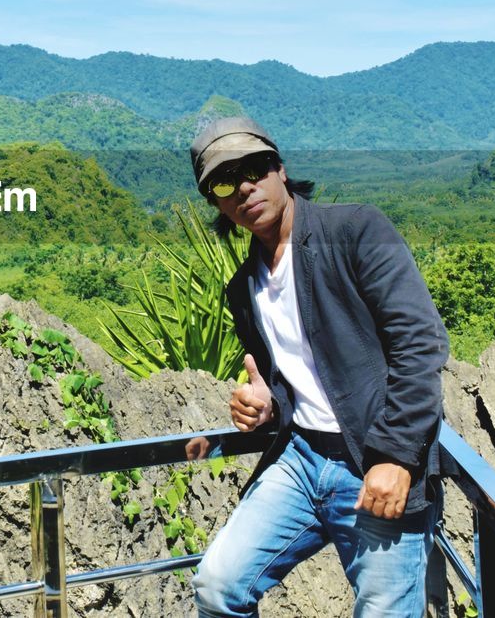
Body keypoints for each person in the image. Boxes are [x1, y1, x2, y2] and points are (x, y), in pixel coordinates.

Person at [187, 117, 449, 617]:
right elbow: (291, 385)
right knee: (219, 586)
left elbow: (422, 343)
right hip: (301, 460)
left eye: (254, 169)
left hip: (374, 461)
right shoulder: (243, 288)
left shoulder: (356, 230)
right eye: (225, 182)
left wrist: (395, 456)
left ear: (280, 169)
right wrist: (266, 407)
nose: (244, 188)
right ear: (216, 203)